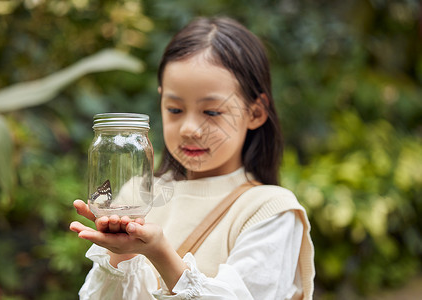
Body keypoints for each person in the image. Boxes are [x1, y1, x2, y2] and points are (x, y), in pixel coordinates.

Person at [70, 16, 315, 299]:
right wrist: (120, 255)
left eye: (211, 112)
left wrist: (159, 253)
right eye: (174, 109)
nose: (188, 129)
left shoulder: (271, 210)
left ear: (256, 112)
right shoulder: (136, 196)